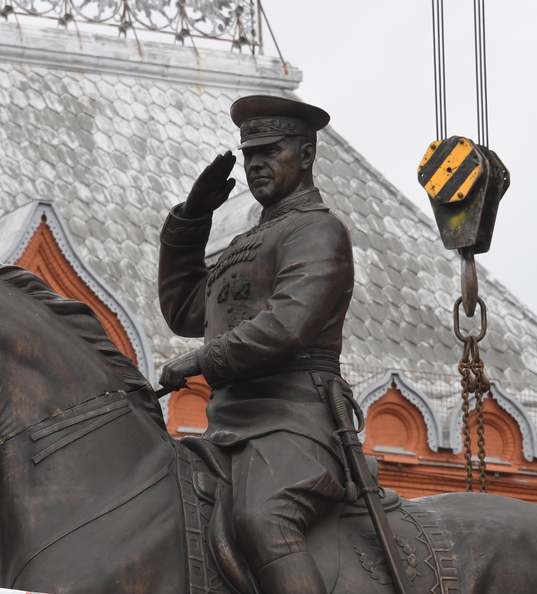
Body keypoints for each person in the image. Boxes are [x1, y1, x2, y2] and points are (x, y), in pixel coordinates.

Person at [157, 95, 354, 594]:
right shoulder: (246, 244)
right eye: (248, 155)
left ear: (306, 155)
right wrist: (191, 220)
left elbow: (287, 325)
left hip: (295, 422)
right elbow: (186, 313)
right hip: (229, 428)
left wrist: (203, 359)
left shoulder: (318, 231)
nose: (255, 165)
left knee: (263, 519)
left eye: (270, 152)